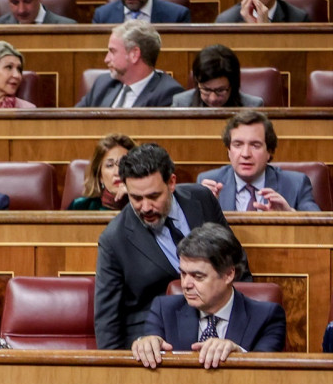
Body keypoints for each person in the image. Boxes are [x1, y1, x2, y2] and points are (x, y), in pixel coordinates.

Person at [94, 142, 246, 349]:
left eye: (154, 196)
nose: (146, 207)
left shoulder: (201, 199)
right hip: (157, 344)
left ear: (171, 182)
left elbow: (237, 264)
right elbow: (107, 318)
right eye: (136, 198)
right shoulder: (114, 239)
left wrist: (244, 324)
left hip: (219, 327)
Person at [132, 224, 285, 368]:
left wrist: (238, 355)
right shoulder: (164, 310)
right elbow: (150, 346)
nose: (186, 284)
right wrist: (144, 344)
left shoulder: (267, 317)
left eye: (198, 276)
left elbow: (267, 374)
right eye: (183, 274)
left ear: (228, 275)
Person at [197, 110, 320, 212]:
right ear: (229, 150)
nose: (245, 154)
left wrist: (289, 216)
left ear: (269, 151)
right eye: (238, 145)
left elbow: (319, 230)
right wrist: (204, 207)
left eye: (255, 145)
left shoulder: (296, 184)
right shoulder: (209, 183)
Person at [76, 20, 184, 108]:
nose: (106, 59)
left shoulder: (167, 94)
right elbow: (74, 122)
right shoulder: (102, 84)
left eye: (113, 51)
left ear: (134, 54)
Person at [171, 46, 263, 108]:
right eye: (206, 90)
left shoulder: (252, 107)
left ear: (233, 85)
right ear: (197, 82)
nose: (213, 98)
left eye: (220, 90)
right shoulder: (181, 104)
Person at [69, 133, 135, 210]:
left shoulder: (146, 206)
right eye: (110, 165)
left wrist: (136, 196)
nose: (117, 172)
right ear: (100, 176)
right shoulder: (80, 206)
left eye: (124, 164)